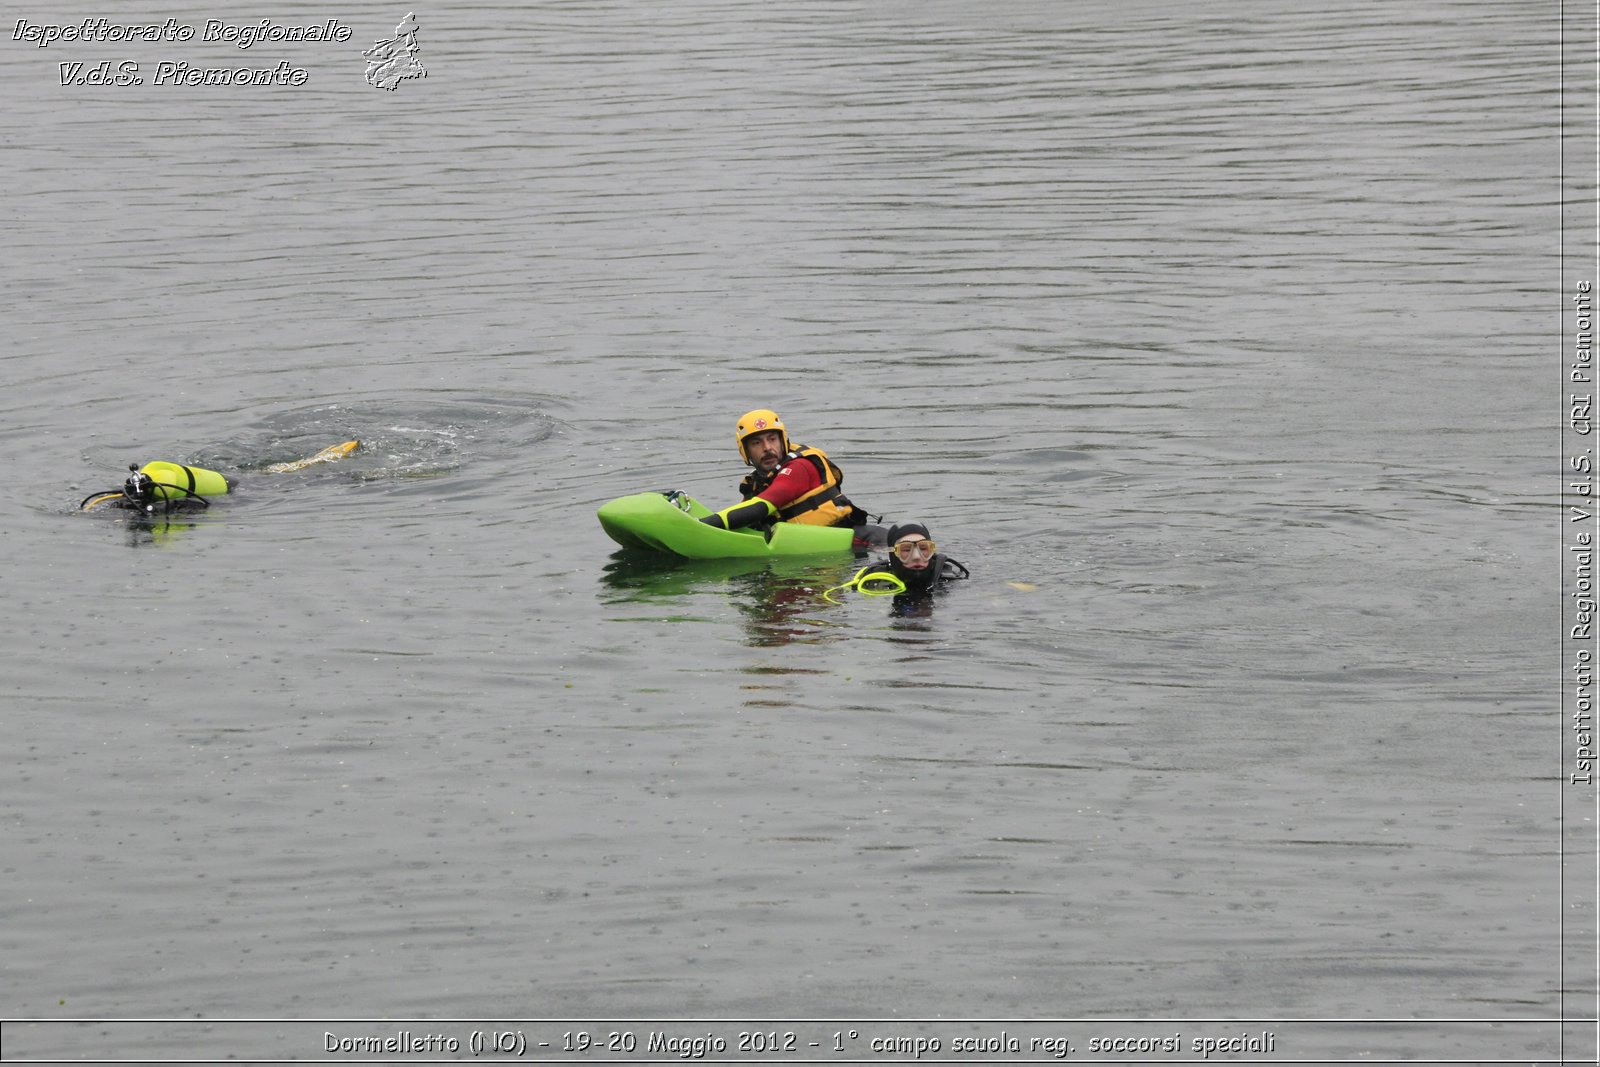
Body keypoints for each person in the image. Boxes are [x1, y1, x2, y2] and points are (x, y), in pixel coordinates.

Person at [699, 408, 872, 532]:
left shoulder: (800, 467)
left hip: (861, 545)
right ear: (745, 451)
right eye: (756, 443)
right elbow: (742, 517)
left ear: (783, 441)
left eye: (772, 439)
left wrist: (699, 525)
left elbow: (759, 508)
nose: (767, 448)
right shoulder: (756, 484)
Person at [821, 521, 969, 604]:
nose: (917, 557)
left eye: (924, 548)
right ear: (893, 555)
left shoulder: (950, 579)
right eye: (906, 550)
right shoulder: (872, 585)